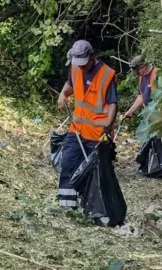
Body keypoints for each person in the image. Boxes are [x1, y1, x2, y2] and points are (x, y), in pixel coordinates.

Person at [56, 40, 118, 208]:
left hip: (97, 134)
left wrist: (108, 126)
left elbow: (112, 103)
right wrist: (63, 95)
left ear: (92, 56)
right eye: (79, 64)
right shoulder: (75, 68)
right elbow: (69, 86)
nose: (81, 68)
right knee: (68, 162)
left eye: (84, 64)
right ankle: (67, 205)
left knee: (93, 173)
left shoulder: (106, 75)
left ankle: (91, 205)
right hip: (76, 130)